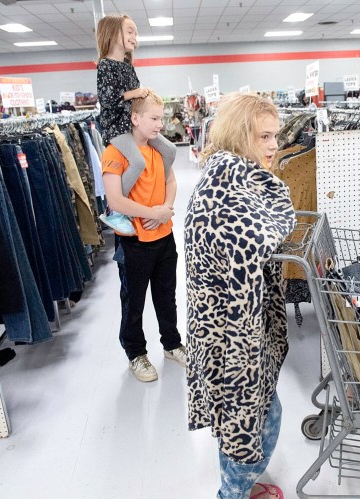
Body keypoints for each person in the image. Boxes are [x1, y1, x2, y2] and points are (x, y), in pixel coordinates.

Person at [184, 93, 296, 499]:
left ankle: (236, 488)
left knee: (239, 420)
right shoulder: (229, 187)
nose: (274, 145)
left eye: (276, 136)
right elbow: (250, 242)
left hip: (228, 331)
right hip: (232, 339)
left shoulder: (229, 175)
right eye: (264, 136)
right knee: (254, 422)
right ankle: (231, 494)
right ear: (238, 134)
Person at [101, 89, 186, 382]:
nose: (159, 125)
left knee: (167, 297)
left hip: (164, 238)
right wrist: (154, 214)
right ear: (135, 118)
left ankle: (172, 344)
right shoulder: (115, 153)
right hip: (134, 241)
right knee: (133, 302)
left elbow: (171, 180)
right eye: (153, 118)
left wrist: (165, 208)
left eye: (161, 119)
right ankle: (136, 354)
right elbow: (114, 200)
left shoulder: (158, 149)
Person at [95, 13, 176, 235]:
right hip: (116, 128)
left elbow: (138, 99)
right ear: (113, 34)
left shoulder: (128, 66)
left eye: (136, 33)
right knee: (138, 162)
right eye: (129, 31)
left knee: (170, 149)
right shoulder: (105, 66)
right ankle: (115, 210)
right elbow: (107, 100)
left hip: (132, 124)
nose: (134, 37)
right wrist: (134, 93)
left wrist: (146, 98)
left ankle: (158, 196)